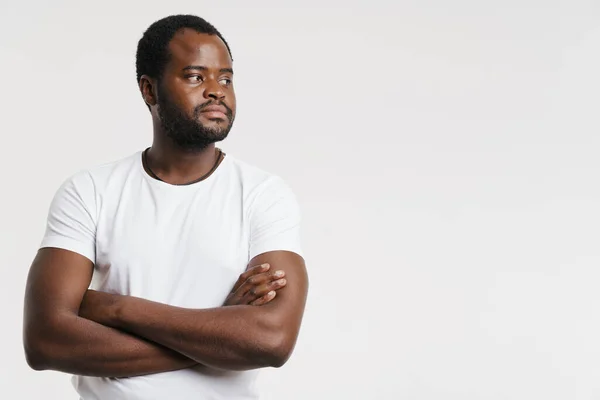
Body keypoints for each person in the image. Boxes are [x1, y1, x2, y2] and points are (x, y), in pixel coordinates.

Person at [22, 14, 308, 400]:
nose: (216, 91)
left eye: (225, 78)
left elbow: (271, 341)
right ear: (149, 90)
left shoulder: (263, 195)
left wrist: (117, 310)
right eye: (195, 76)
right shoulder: (90, 191)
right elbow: (45, 341)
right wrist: (220, 332)